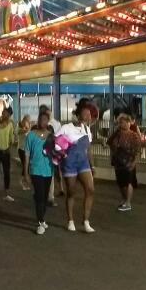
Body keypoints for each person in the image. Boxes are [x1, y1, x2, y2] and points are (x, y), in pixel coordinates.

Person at [59, 99, 96, 233]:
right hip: (69, 164)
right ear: (78, 114)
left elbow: (89, 149)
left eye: (89, 114)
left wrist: (92, 166)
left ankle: (86, 221)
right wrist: (64, 155)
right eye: (85, 114)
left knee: (90, 189)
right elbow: (56, 144)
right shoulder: (66, 128)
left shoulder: (87, 129)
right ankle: (70, 220)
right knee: (71, 192)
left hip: (83, 163)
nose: (88, 116)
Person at [23, 109, 53, 235]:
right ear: (38, 121)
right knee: (40, 196)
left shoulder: (51, 136)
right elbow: (27, 155)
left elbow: (56, 152)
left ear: (48, 122)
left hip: (49, 170)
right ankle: (40, 221)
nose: (43, 122)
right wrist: (26, 172)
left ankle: (42, 218)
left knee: (45, 197)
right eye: (41, 119)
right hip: (36, 170)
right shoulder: (31, 135)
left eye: (45, 120)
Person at [106, 113, 141, 212]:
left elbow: (138, 150)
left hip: (129, 162)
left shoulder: (134, 136)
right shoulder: (117, 134)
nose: (123, 124)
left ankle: (128, 202)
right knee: (121, 183)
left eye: (126, 122)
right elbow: (109, 142)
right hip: (118, 162)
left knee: (129, 182)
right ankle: (124, 199)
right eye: (121, 122)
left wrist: (134, 162)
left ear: (129, 123)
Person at [17, 115, 32, 191]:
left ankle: (23, 182)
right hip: (21, 150)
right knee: (25, 166)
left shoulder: (27, 129)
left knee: (26, 166)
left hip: (26, 150)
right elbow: (22, 132)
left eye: (28, 121)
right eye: (27, 121)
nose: (28, 122)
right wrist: (29, 128)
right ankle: (22, 181)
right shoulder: (20, 128)